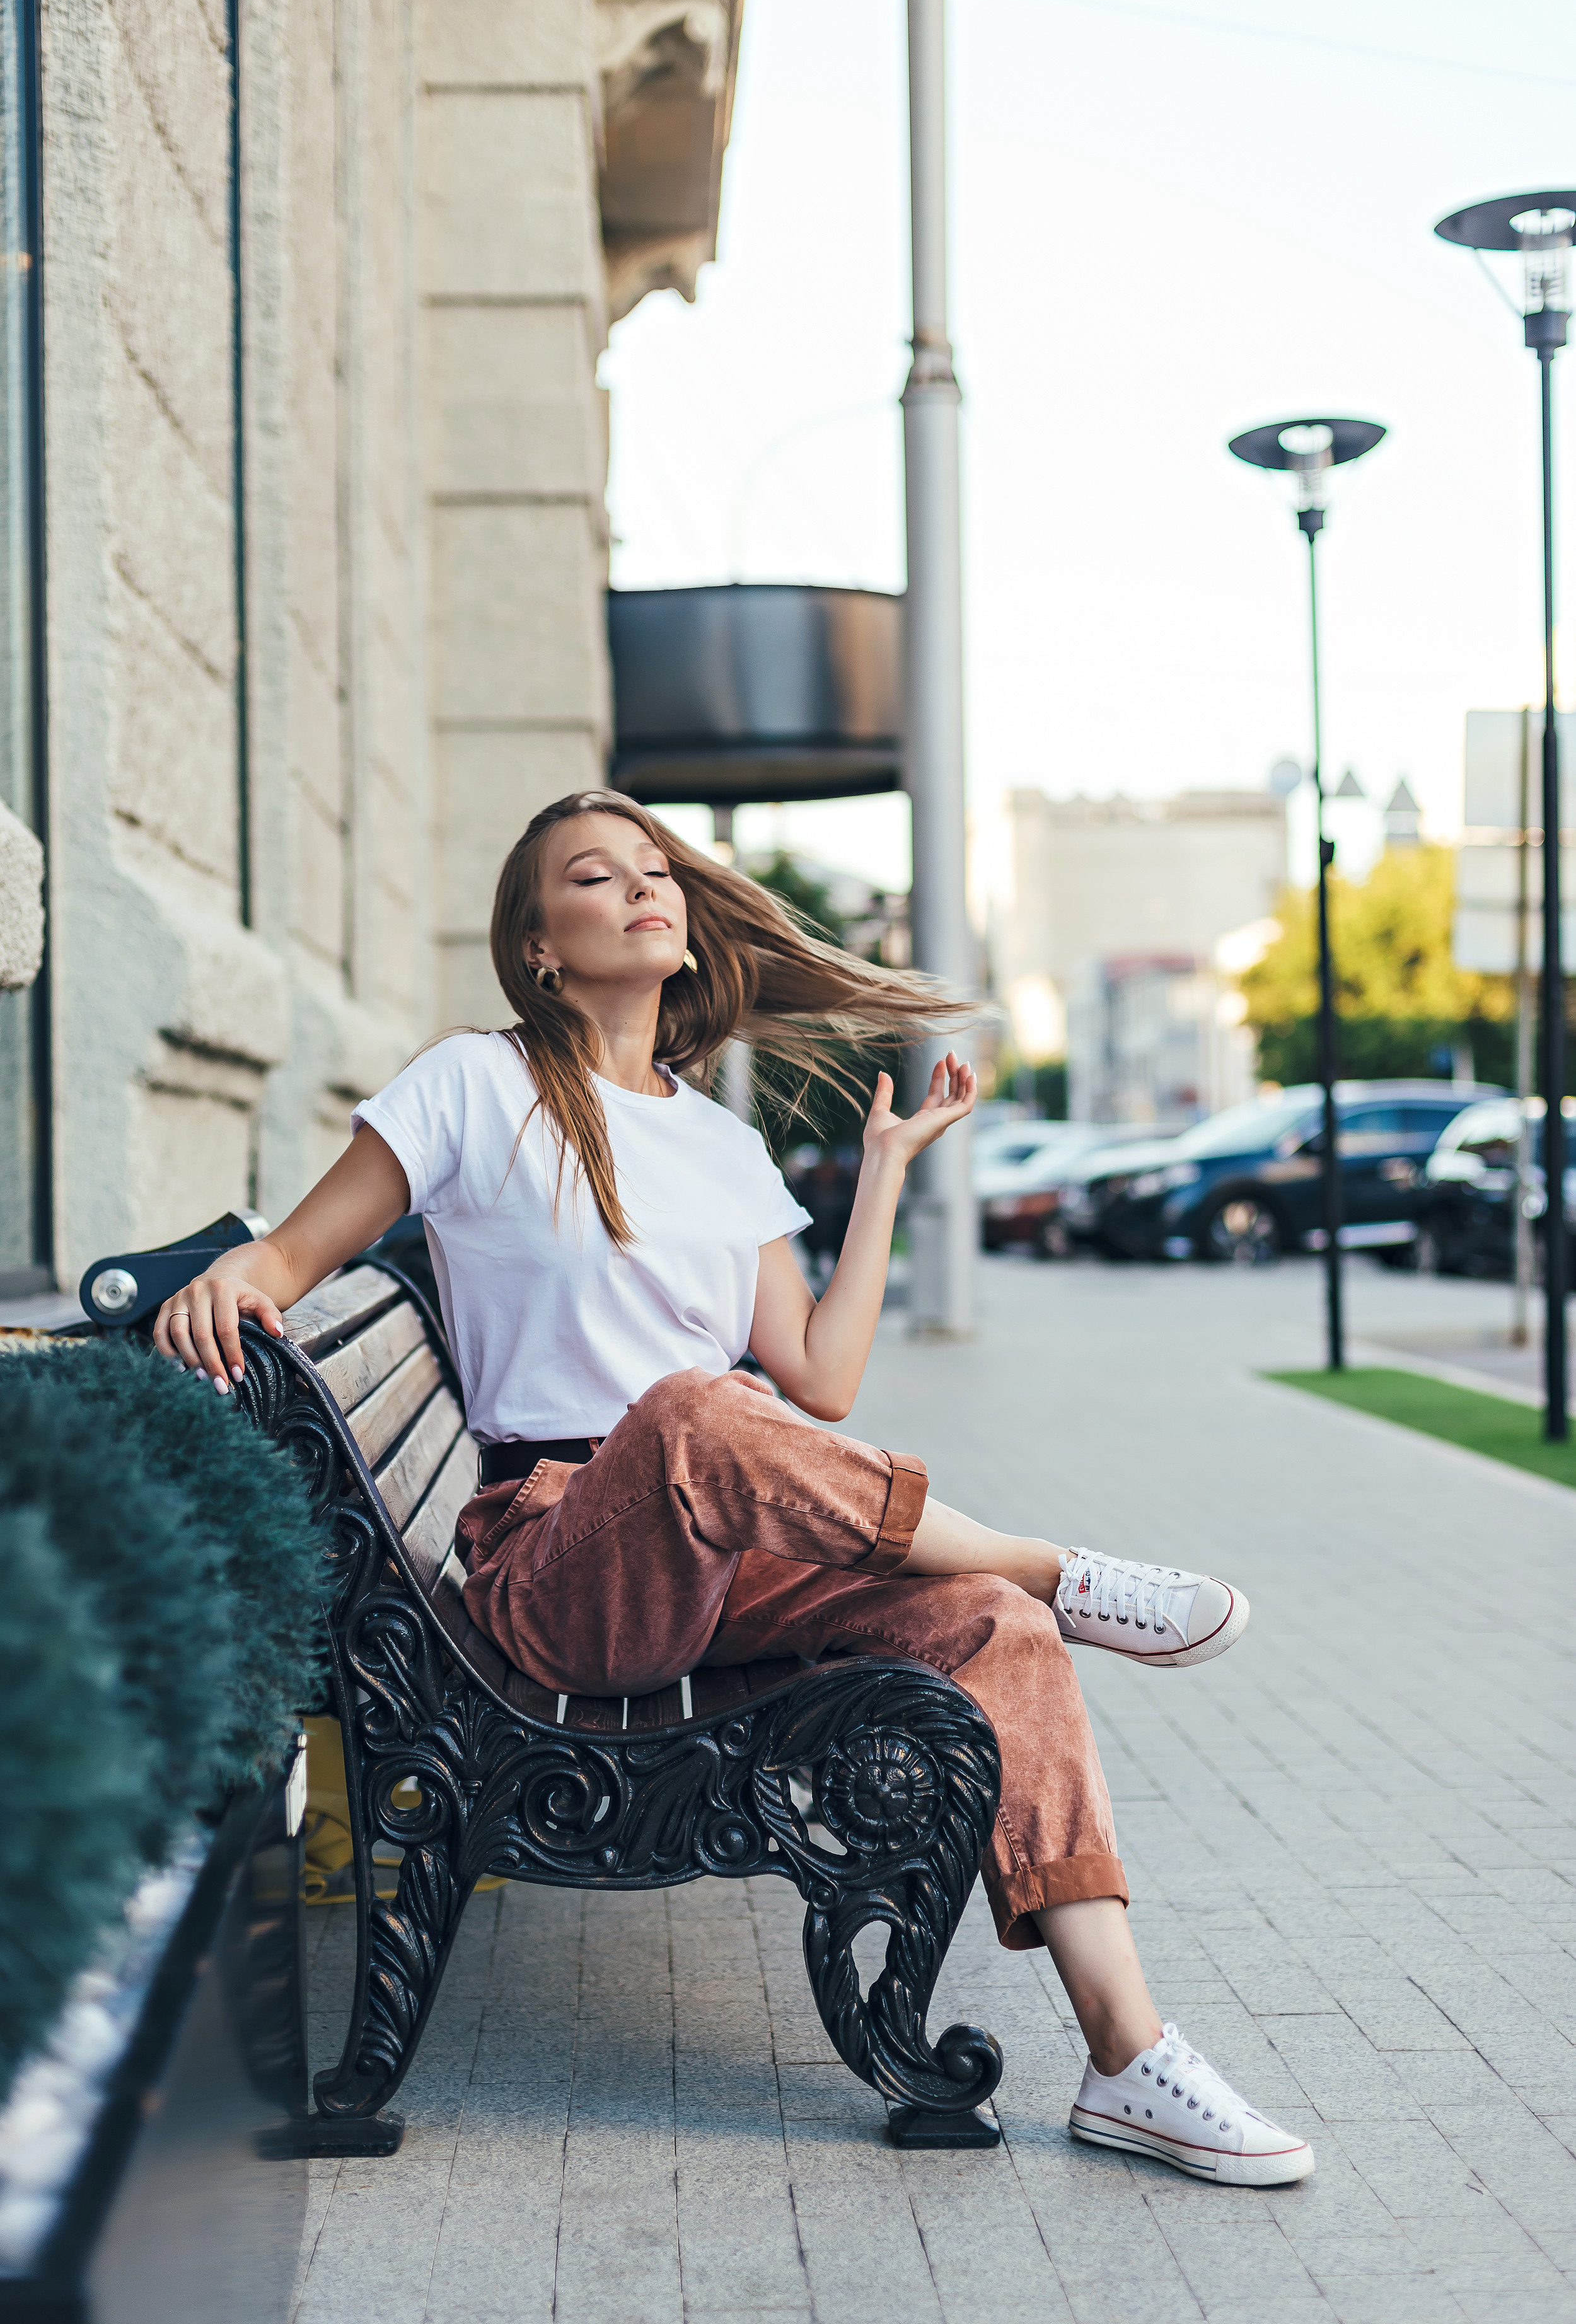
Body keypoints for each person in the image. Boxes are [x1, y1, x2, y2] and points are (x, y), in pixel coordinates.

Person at [154, 788, 1312, 2188]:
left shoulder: (718, 1141)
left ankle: (1126, 2053)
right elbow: (291, 1256)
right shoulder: (471, 1082)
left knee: (981, 1631)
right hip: (555, 1566)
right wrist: (235, 1278)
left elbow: (819, 1378)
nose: (644, 889)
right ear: (539, 943)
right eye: (597, 877)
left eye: (656, 870)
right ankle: (1050, 1568)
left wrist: (883, 1172)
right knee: (701, 1409)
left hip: (723, 1551)